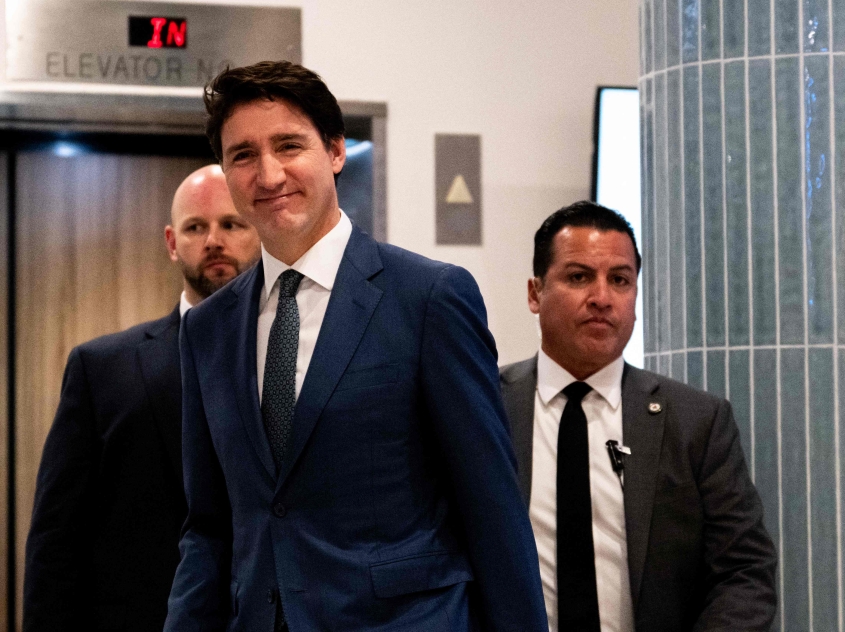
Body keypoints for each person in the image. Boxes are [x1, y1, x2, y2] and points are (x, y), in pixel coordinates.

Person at [164, 61, 546, 632]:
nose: (268, 175)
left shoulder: (429, 299)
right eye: (243, 155)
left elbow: (492, 510)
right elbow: (210, 527)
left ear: (336, 151)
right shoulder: (207, 328)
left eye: (289, 145)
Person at [500, 201, 777, 632]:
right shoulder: (485, 408)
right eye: (578, 277)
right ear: (536, 293)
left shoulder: (696, 422)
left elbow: (743, 572)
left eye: (620, 280)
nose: (602, 298)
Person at [23, 165, 261, 632]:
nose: (215, 240)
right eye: (196, 227)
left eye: (232, 224)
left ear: (261, 234)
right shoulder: (101, 368)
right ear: (173, 243)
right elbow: (56, 540)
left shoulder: (298, 361)